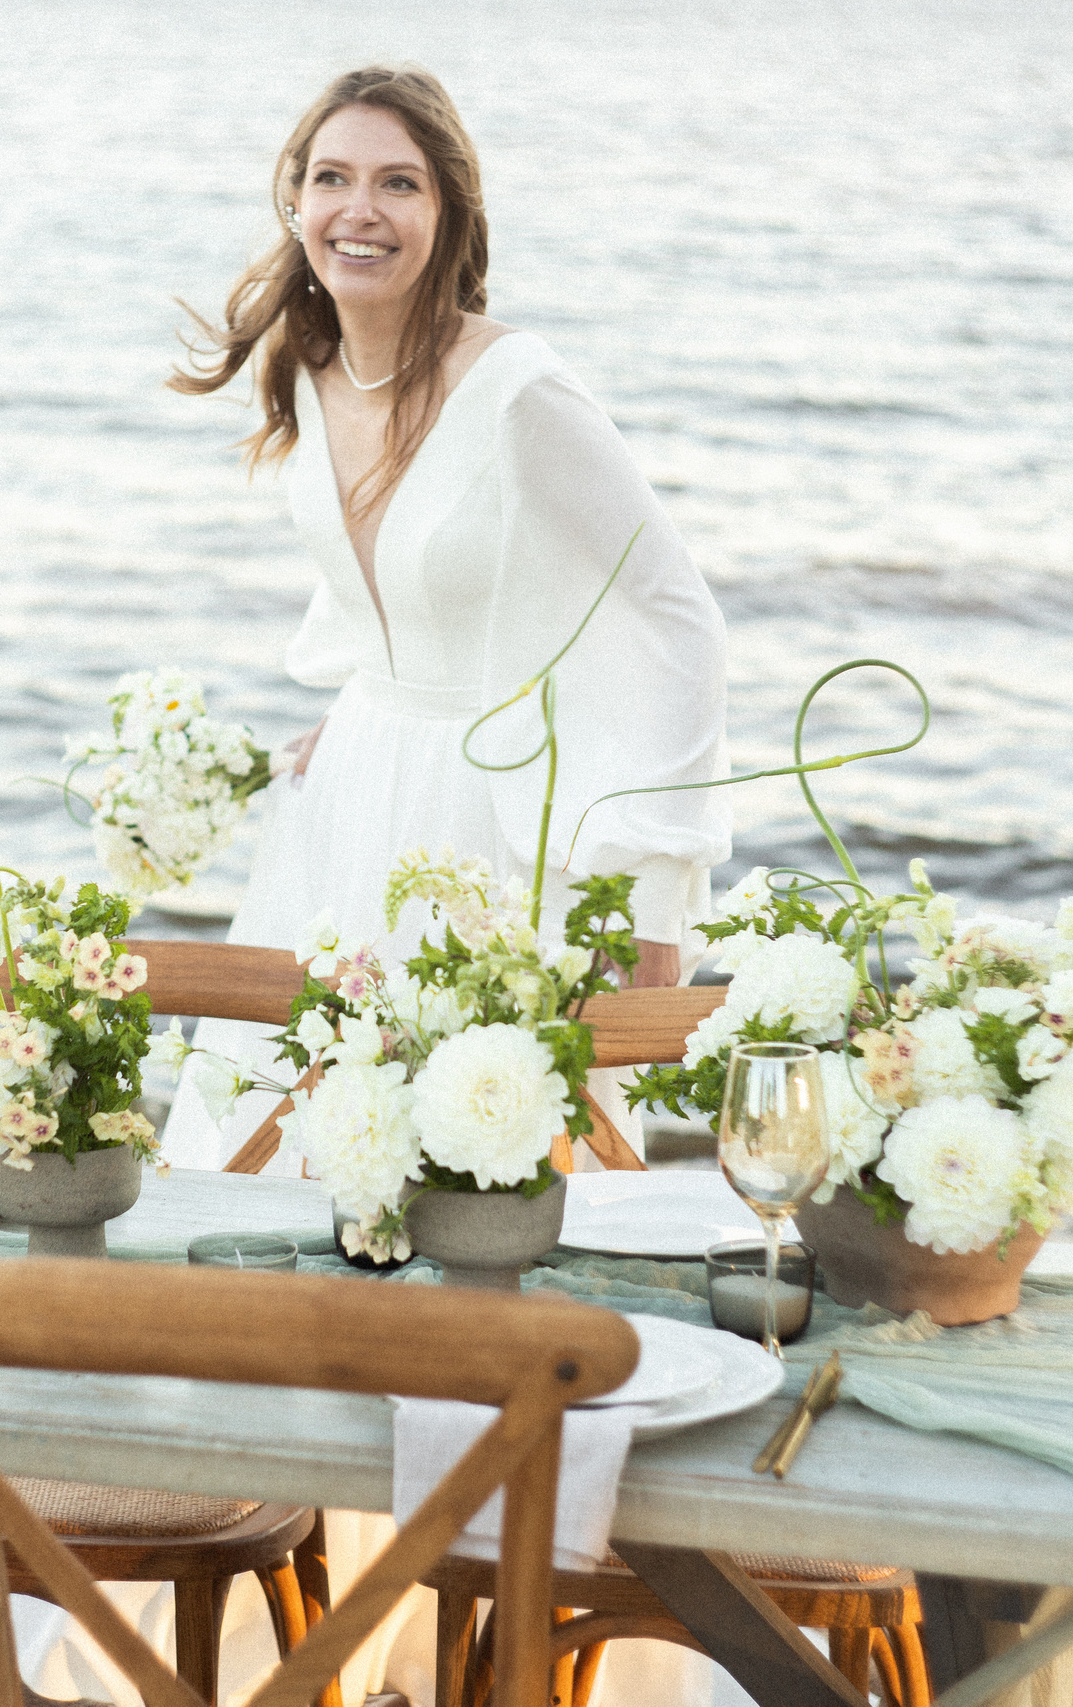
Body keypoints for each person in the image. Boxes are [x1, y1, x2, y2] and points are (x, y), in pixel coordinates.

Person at [159, 64, 732, 1176]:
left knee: (488, 1156)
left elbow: (673, 615)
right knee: (283, 1134)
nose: (358, 210)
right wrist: (361, 694)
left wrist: (655, 891)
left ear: (449, 212)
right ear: (294, 202)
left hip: (492, 819)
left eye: (397, 183)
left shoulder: (518, 388)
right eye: (331, 178)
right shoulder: (309, 366)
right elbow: (381, 571)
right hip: (351, 795)